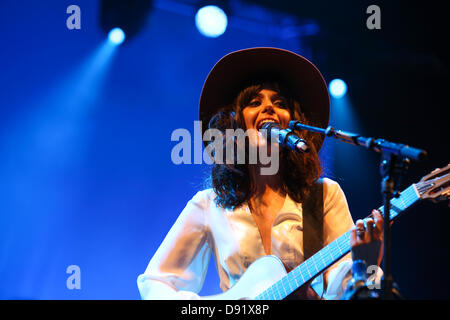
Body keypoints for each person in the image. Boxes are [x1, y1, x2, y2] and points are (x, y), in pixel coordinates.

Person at [137, 47, 384, 300]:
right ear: (236, 124)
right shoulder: (209, 204)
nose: (269, 108)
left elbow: (352, 293)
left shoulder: (324, 195)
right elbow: (154, 284)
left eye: (280, 103)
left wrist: (366, 267)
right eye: (255, 102)